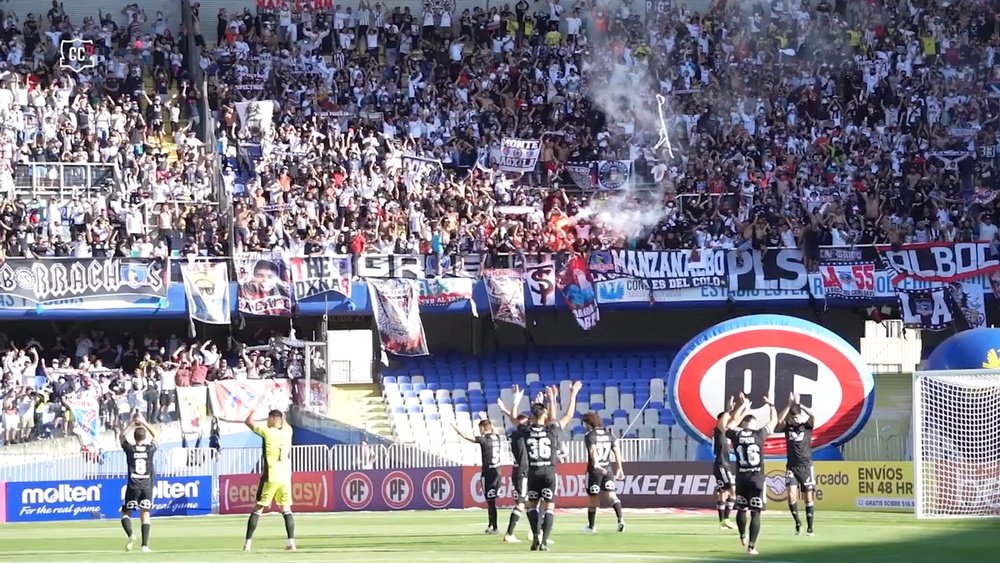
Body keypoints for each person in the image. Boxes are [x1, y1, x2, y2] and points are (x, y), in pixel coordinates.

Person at [524, 381, 582, 551]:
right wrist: (572, 394)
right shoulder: (552, 430)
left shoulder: (526, 430)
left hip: (533, 472)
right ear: (546, 415)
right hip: (549, 472)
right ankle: (544, 542)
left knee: (531, 505)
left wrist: (541, 402)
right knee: (550, 506)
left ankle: (536, 535)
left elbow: (520, 419)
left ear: (532, 417)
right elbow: (569, 415)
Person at [722, 393, 777, 556]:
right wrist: (771, 405)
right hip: (757, 479)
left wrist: (728, 409)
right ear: (754, 425)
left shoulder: (737, 435)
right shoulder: (759, 434)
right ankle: (752, 547)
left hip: (741, 479)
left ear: (744, 424)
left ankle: (742, 535)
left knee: (741, 509)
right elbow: (773, 422)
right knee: (756, 512)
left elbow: (723, 426)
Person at [242, 409, 296, 552]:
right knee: (286, 509)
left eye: (268, 418)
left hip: (271, 476)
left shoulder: (267, 432)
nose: (266, 420)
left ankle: (247, 544)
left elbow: (248, 422)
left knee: (258, 508)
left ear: (272, 418)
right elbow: (283, 421)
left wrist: (254, 408)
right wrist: (279, 418)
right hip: (285, 477)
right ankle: (291, 542)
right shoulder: (288, 430)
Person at [775, 393, 817, 536]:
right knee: (791, 496)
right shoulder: (788, 428)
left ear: (801, 417)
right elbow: (779, 420)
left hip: (806, 467)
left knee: (808, 497)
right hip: (791, 467)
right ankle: (797, 522)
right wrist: (789, 404)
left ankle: (810, 527)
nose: (795, 419)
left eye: (797, 417)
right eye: (792, 417)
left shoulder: (807, 427)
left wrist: (800, 405)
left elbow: (813, 416)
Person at [453, 418, 503, 534]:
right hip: (498, 472)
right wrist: (488, 420)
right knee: (492, 500)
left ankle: (494, 527)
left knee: (490, 501)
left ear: (482, 428)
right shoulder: (497, 438)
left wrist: (455, 427)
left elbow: (466, 436)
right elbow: (493, 430)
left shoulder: (484, 440)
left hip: (488, 473)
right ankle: (491, 525)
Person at [120, 411, 158, 553]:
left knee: (125, 513)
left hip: (133, 485)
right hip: (147, 486)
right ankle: (145, 546)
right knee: (145, 515)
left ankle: (131, 534)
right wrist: (144, 422)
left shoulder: (130, 449)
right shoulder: (150, 449)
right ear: (145, 436)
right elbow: (156, 435)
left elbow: (122, 436)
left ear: (134, 437)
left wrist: (131, 424)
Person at [496, 385, 531, 543]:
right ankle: (509, 533)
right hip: (522, 471)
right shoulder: (519, 434)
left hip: (521, 470)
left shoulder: (516, 434)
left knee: (530, 502)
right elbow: (515, 419)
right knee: (522, 503)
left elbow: (514, 419)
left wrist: (505, 410)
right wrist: (515, 401)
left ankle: (534, 532)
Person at [581, 412, 625, 533]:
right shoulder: (609, 434)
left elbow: (592, 451)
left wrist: (595, 464)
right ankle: (620, 520)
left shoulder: (590, 435)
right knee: (611, 495)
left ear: (588, 423)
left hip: (595, 471)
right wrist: (619, 468)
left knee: (593, 498)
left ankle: (591, 526)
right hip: (608, 469)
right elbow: (617, 451)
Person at [713, 398, 737, 530]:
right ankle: (726, 519)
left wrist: (743, 407)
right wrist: (728, 410)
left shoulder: (726, 432)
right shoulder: (718, 430)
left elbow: (736, 421)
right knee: (732, 491)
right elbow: (724, 422)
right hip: (721, 464)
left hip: (724, 464)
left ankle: (723, 521)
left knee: (723, 492)